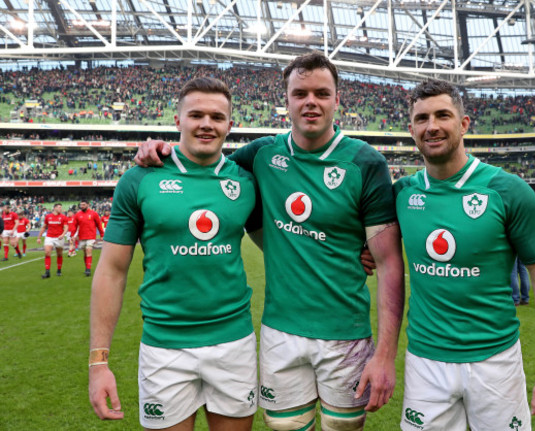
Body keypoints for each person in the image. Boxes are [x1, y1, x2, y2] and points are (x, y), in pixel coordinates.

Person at [135, 51, 405, 431]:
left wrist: (386, 355)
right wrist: (159, 149)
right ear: (287, 100)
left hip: (347, 331)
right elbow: (204, 164)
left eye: (322, 93)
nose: (311, 101)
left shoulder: (366, 162)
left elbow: (391, 262)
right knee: (284, 427)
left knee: (343, 427)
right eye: (300, 93)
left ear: (337, 100)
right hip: (280, 329)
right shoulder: (259, 155)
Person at [394, 79, 535, 431]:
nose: (432, 126)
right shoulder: (400, 193)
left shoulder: (507, 190)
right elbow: (370, 250)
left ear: (463, 124)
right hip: (426, 361)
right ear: (411, 129)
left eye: (443, 115)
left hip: (496, 361)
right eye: (422, 118)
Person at [89, 77, 260, 430]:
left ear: (231, 124)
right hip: (165, 347)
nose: (206, 124)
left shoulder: (246, 181)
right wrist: (98, 363)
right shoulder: (139, 179)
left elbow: (288, 243)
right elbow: (111, 271)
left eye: (217, 116)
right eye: (196, 114)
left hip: (234, 343)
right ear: (177, 120)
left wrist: (360, 253)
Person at [36, 203, 68, 278]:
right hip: (49, 237)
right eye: (59, 207)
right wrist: (39, 237)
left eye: (61, 207)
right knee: (47, 252)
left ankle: (59, 270)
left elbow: (66, 227)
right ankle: (47, 272)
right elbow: (44, 227)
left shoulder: (63, 217)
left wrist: (63, 235)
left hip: (59, 237)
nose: (61, 209)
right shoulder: (48, 216)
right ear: (54, 208)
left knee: (59, 254)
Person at [72, 200, 104, 276]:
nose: (82, 206)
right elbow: (74, 226)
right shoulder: (77, 214)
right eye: (81, 205)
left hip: (91, 236)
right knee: (85, 253)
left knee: (89, 251)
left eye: (83, 204)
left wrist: (101, 235)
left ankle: (88, 270)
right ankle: (86, 267)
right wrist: (72, 235)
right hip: (82, 237)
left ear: (88, 205)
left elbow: (99, 224)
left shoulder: (94, 214)